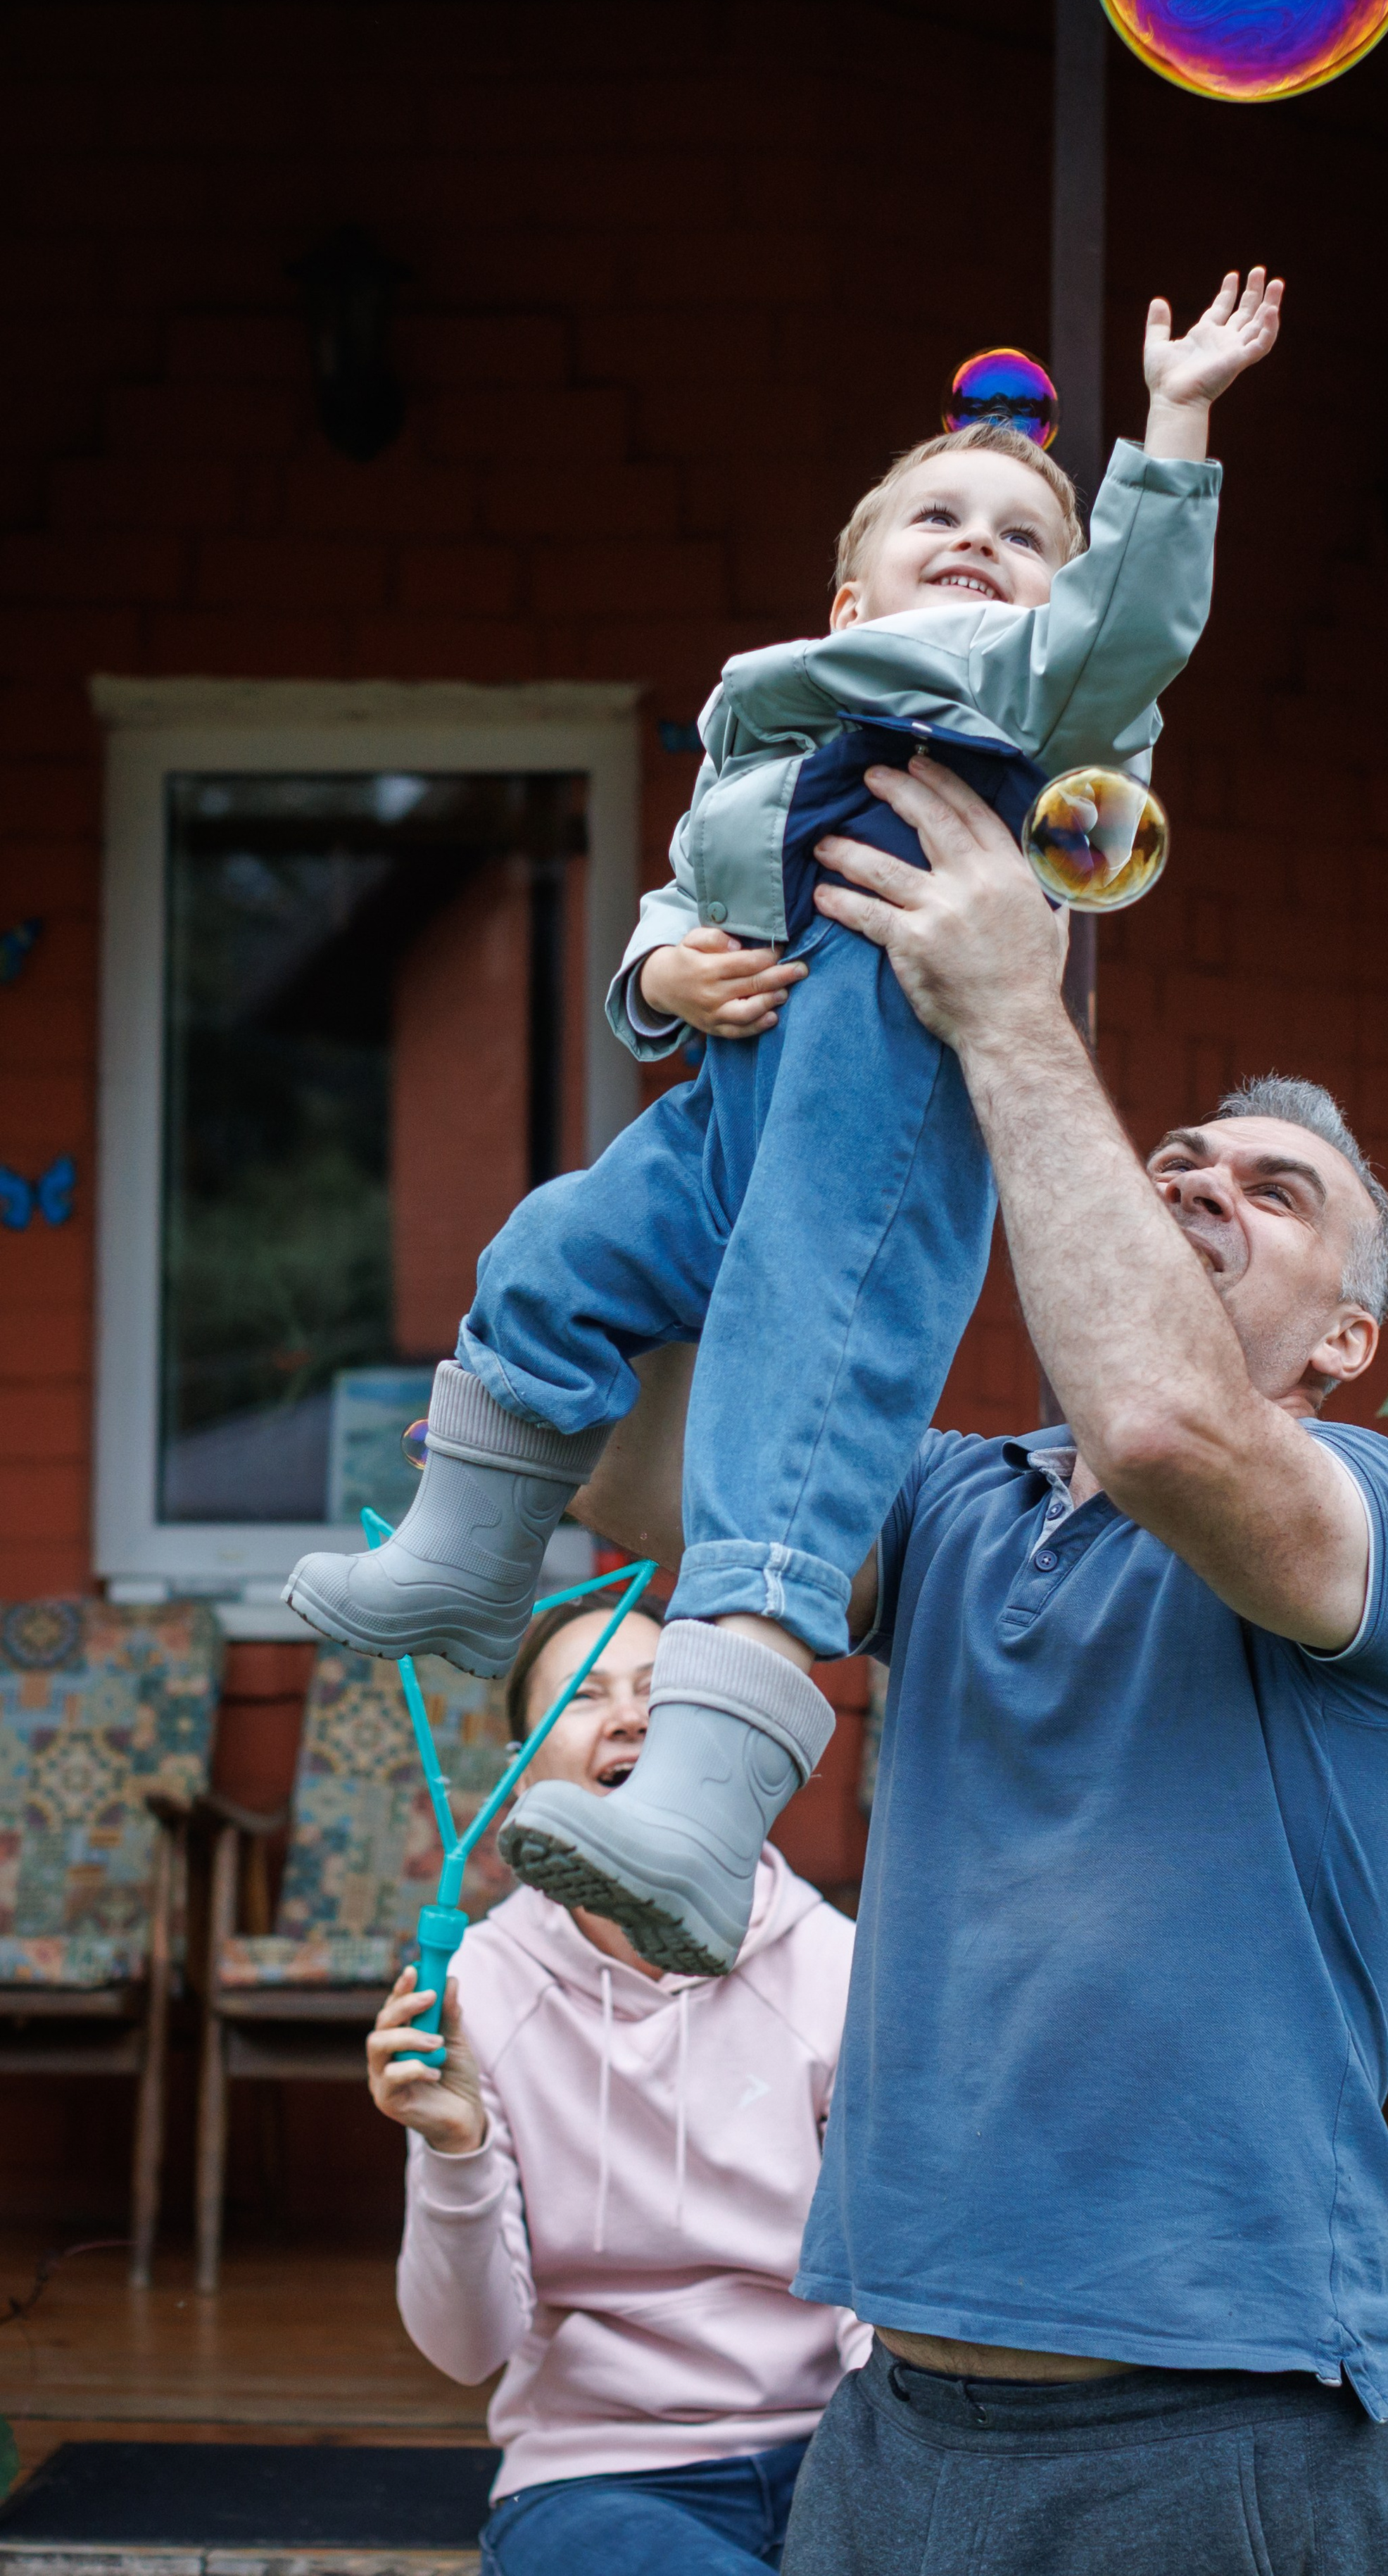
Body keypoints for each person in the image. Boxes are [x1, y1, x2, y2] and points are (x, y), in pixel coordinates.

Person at [284, 267, 1285, 1983]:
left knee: (785, 1401)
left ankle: (696, 1811)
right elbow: (670, 903)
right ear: (846, 589)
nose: (978, 541)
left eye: (1025, 533)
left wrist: (1171, 425)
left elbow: (1132, 626)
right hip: (720, 1114)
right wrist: (662, 978)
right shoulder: (765, 724)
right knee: (543, 1247)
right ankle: (462, 1559)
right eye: (935, 517)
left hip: (866, 1126)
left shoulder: (1022, 705)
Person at [569, 758, 1388, 2575]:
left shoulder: (1383, 1523)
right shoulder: (956, 1508)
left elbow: (1159, 1425)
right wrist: (759, 1084)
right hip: (893, 2421)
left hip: (1216, 2439)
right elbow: (632, 1472)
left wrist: (1012, 1014)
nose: (1208, 1181)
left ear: (1351, 1338)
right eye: (1182, 1165)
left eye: (1276, 1193)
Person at [365, 1592, 864, 2576]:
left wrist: (877, 2484)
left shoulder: (838, 1968)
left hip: (836, 2450)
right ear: (522, 1783)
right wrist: (453, 2146)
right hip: (600, 2477)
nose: (632, 1716)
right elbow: (466, 2352)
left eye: (660, 1695)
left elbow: (879, 2301)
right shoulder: (477, 1994)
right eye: (584, 1698)